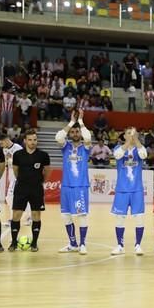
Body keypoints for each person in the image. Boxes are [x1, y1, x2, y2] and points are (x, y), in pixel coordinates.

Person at [55, 109, 91, 254]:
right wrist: (71, 122)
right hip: (66, 186)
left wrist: (81, 121)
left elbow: (88, 137)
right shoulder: (66, 147)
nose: (75, 134)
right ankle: (72, 243)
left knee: (81, 215)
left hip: (81, 186)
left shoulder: (86, 147)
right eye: (73, 132)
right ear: (70, 134)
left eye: (77, 132)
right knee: (66, 215)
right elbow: (58, 137)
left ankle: (82, 244)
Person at [7, 129, 50, 252]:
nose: (33, 142)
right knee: (16, 215)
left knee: (36, 215)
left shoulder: (43, 155)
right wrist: (23, 180)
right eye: (30, 140)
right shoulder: (18, 155)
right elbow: (16, 170)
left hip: (36, 189)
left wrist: (40, 181)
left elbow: (46, 171)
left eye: (35, 140)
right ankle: (14, 242)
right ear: (25, 141)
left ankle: (34, 243)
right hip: (21, 188)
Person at [110, 127, 147, 256]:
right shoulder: (118, 149)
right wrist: (128, 142)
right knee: (120, 218)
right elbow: (117, 155)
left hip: (136, 190)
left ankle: (138, 245)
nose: (131, 135)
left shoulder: (139, 148)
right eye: (128, 133)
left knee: (139, 218)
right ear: (124, 136)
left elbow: (144, 155)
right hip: (122, 189)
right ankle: (120, 245)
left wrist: (136, 140)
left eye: (133, 133)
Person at [0, 134, 30, 227]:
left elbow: (23, 163)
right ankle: (29, 217)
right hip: (11, 176)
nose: (1, 146)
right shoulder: (4, 150)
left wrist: (10, 160)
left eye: (2, 143)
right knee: (20, 198)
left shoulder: (18, 148)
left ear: (7, 140)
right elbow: (6, 164)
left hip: (19, 176)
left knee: (9, 197)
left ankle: (14, 219)